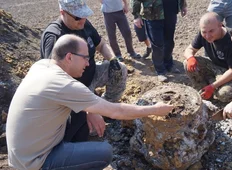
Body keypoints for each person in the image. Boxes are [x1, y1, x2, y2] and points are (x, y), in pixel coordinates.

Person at [6, 34, 173, 170]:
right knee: (105, 152)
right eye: (85, 58)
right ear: (69, 57)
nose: (88, 63)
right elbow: (116, 111)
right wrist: (155, 110)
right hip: (36, 162)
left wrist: (89, 109)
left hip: (20, 155)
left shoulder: (42, 65)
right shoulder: (63, 85)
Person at [40, 0, 127, 142]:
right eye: (77, 17)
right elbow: (56, 82)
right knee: (86, 132)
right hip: (70, 90)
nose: (82, 20)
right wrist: (87, 109)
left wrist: (112, 59)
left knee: (120, 69)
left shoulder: (84, 24)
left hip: (91, 77)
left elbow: (101, 44)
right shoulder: (54, 36)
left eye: (84, 15)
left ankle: (104, 107)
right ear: (63, 13)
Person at [183, 12, 232, 102]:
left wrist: (213, 86)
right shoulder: (204, 33)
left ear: (220, 25)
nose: (207, 36)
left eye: (211, 31)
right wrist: (190, 58)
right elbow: (189, 49)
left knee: (224, 94)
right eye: (204, 32)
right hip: (215, 65)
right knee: (187, 63)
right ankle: (203, 91)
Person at [131, 0, 187, 82]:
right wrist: (136, 15)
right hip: (153, 13)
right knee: (157, 44)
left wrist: (183, 5)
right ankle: (160, 70)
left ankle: (169, 64)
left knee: (169, 41)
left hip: (170, 11)